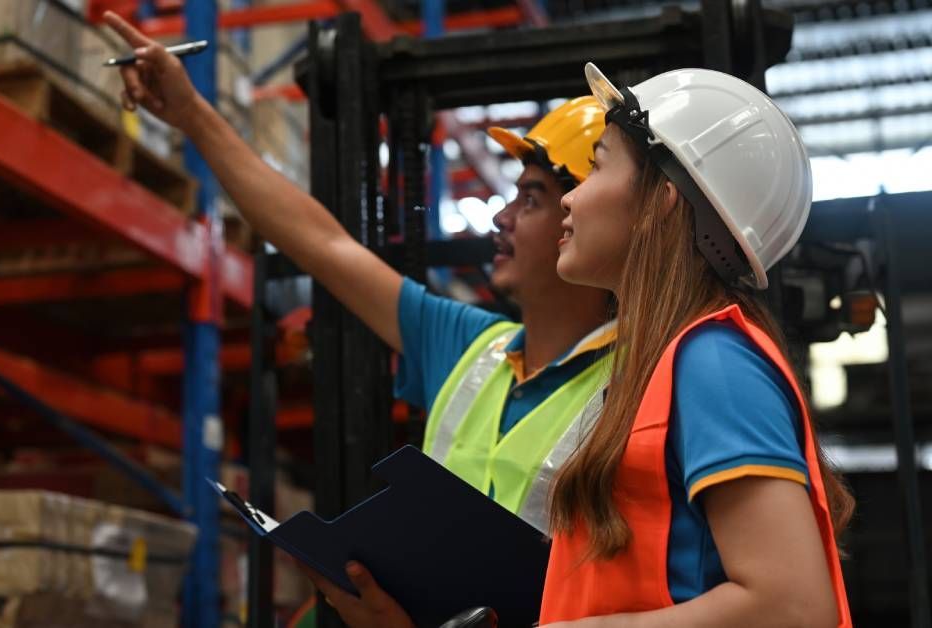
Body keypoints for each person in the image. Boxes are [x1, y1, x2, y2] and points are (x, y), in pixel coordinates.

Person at [100, 11, 614, 626]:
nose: (502, 219)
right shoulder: (468, 346)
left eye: (531, 200)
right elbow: (323, 245)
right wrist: (191, 114)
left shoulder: (642, 381)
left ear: (588, 218)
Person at [533, 64, 854, 627]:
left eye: (595, 166)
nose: (570, 199)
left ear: (663, 199)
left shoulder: (715, 363)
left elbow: (794, 609)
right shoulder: (662, 366)